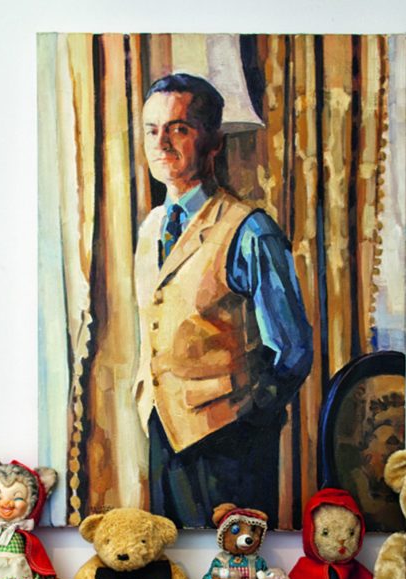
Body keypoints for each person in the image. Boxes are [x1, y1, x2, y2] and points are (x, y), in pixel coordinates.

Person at [133, 72, 313, 528]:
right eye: (152, 130)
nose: (161, 143)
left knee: (235, 565)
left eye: (178, 128)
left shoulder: (250, 229)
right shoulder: (150, 228)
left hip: (228, 445)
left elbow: (292, 350)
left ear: (213, 142)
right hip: (162, 430)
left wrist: (247, 422)